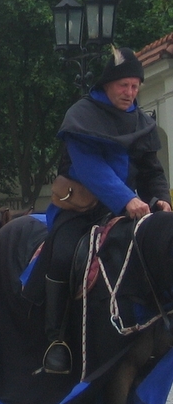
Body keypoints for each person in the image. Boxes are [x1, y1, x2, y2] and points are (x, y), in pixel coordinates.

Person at [40, 47, 171, 374]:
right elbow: (88, 166)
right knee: (62, 253)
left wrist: (160, 198)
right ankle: (56, 339)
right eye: (124, 86)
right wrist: (126, 199)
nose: (130, 93)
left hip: (128, 211)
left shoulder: (140, 121)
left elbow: (151, 168)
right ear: (108, 84)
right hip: (82, 211)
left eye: (135, 86)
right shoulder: (82, 114)